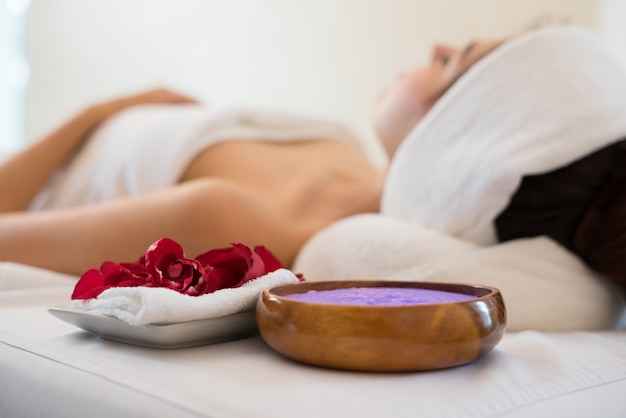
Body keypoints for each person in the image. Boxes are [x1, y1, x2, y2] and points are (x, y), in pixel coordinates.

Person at [1, 24, 625, 294]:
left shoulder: (236, 219)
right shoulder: (343, 147)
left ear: (457, 142)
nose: (433, 45)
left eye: (449, 62)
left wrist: (97, 112)